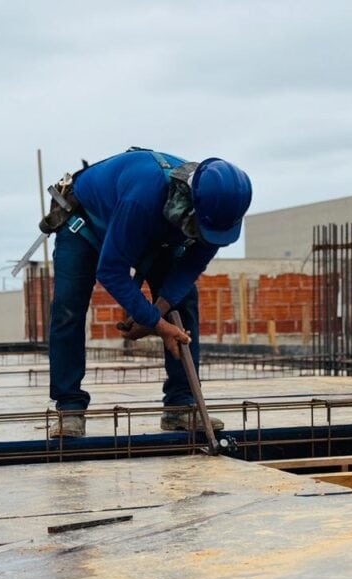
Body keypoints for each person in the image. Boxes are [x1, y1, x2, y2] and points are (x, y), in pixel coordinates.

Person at [47, 148, 252, 438]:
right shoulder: (142, 198)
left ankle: (181, 405)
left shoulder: (219, 214)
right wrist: (157, 323)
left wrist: (156, 314)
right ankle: (69, 409)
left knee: (183, 302)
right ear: (188, 203)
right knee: (68, 309)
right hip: (85, 225)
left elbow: (190, 267)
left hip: (154, 231)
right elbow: (111, 270)